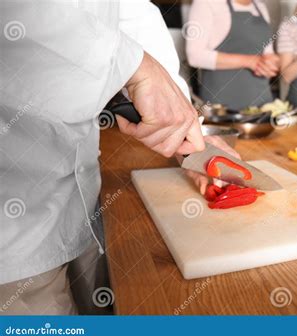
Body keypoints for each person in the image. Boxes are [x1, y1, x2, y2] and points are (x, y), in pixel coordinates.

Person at [0, 0, 236, 315]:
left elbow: (130, 12)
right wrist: (131, 63)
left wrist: (191, 132)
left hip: (81, 194)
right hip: (14, 225)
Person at [186, 0, 280, 110]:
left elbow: (267, 54)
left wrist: (273, 63)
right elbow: (194, 56)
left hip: (262, 105)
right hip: (221, 108)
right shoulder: (206, 3)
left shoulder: (260, 7)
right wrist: (250, 61)